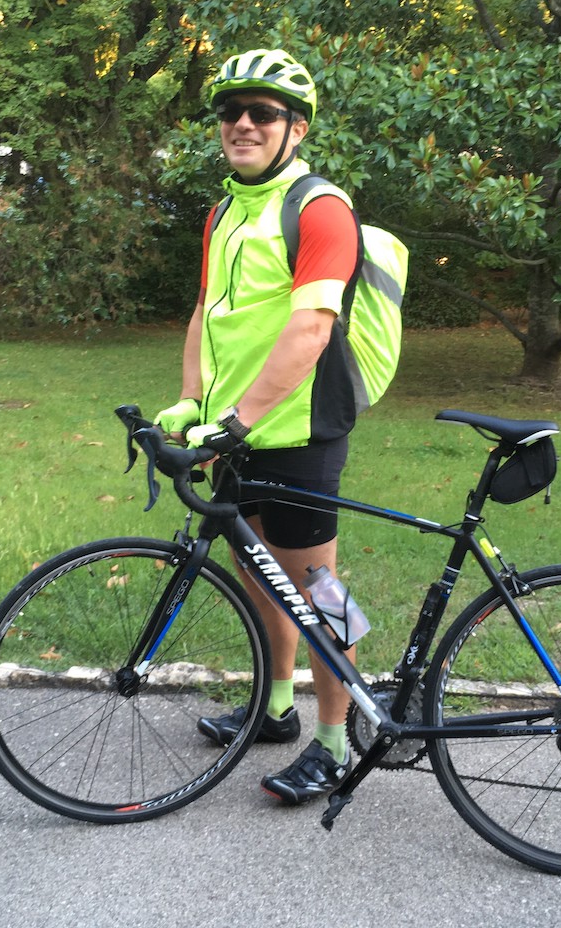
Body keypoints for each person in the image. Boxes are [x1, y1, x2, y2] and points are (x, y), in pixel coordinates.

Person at [153, 48, 362, 805]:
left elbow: (311, 329)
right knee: (259, 579)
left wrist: (237, 421)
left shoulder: (320, 208)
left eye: (263, 113)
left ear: (295, 128)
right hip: (234, 435)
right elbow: (205, 314)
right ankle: (275, 709)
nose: (242, 124)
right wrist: (191, 403)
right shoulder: (223, 212)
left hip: (298, 435)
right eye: (230, 111)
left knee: (319, 591)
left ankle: (336, 743)